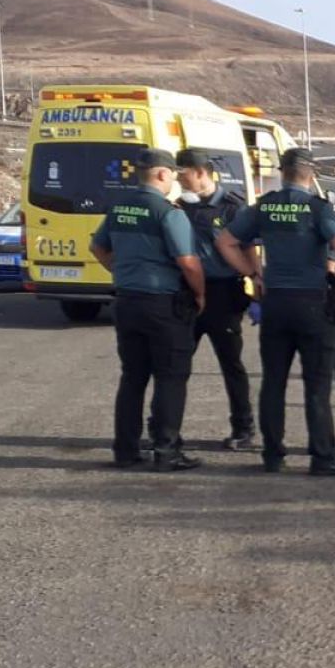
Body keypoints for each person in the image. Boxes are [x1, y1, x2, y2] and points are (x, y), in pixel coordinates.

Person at [220, 146, 335, 475]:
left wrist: (253, 274)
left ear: (282, 173)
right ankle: (322, 457)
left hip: (276, 302)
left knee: (273, 381)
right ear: (311, 175)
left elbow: (225, 241)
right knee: (317, 384)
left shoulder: (264, 206)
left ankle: (273, 454)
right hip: (311, 301)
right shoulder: (319, 209)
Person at [89, 148, 205, 471]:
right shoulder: (168, 212)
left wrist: (121, 270)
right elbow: (188, 262)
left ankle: (125, 451)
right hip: (162, 304)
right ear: (162, 174)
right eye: (173, 175)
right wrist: (200, 294)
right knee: (170, 377)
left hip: (127, 300)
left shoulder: (119, 207)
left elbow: (97, 246)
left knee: (133, 377)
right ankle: (166, 452)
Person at [176, 149, 256, 452]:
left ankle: (243, 428)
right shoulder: (179, 207)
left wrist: (257, 281)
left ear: (200, 172)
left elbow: (248, 248)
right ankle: (166, 431)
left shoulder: (233, 208)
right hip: (186, 294)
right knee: (176, 364)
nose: (179, 179)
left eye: (183, 173)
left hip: (222, 294)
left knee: (231, 364)